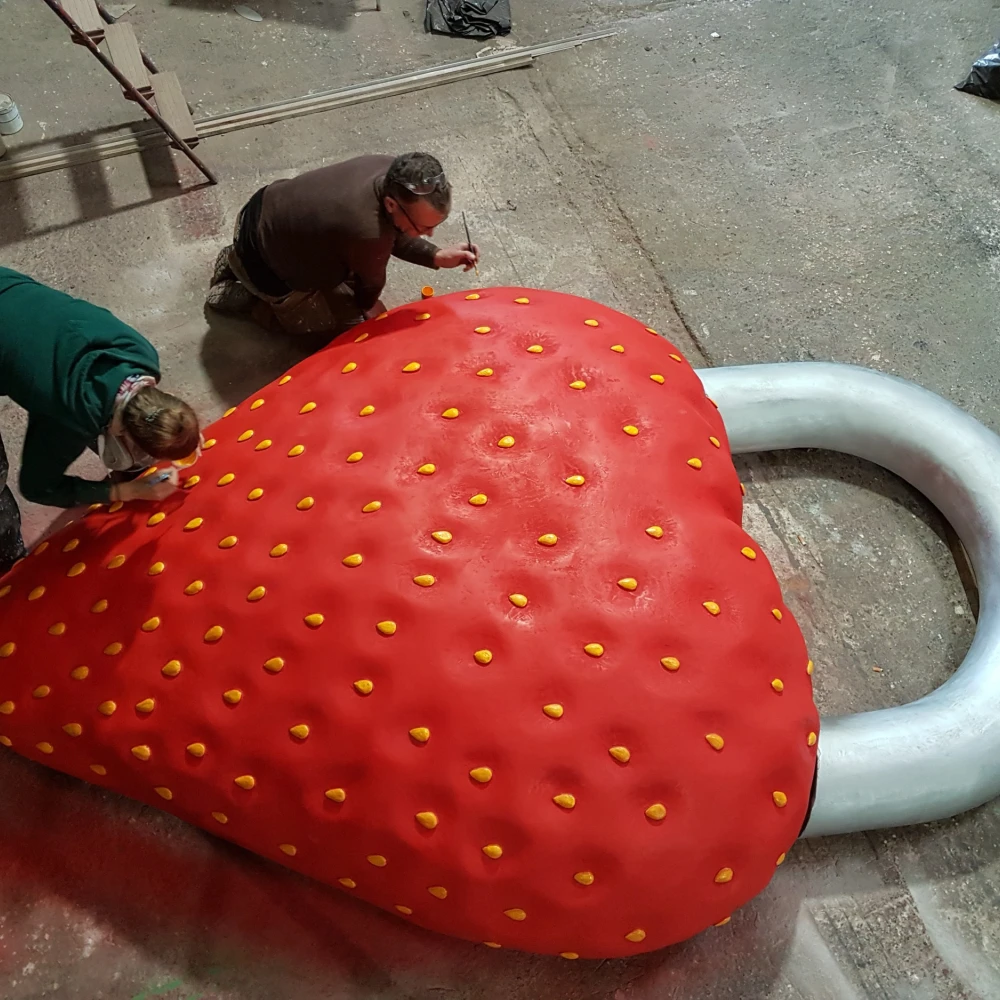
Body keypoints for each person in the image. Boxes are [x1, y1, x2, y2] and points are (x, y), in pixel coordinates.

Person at [0, 267, 202, 576]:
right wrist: (124, 493)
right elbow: (38, 488)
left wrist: (181, 432)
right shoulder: (70, 417)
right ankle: (8, 562)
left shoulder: (140, 352)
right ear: (123, 440)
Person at [207, 151, 480, 338]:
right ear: (390, 204)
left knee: (347, 270)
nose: (429, 234)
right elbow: (370, 285)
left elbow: (392, 231)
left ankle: (236, 259)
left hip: (260, 211)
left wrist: (437, 255)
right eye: (422, 227)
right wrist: (367, 307)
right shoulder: (366, 231)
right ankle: (247, 297)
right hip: (264, 263)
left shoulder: (391, 171)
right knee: (342, 330)